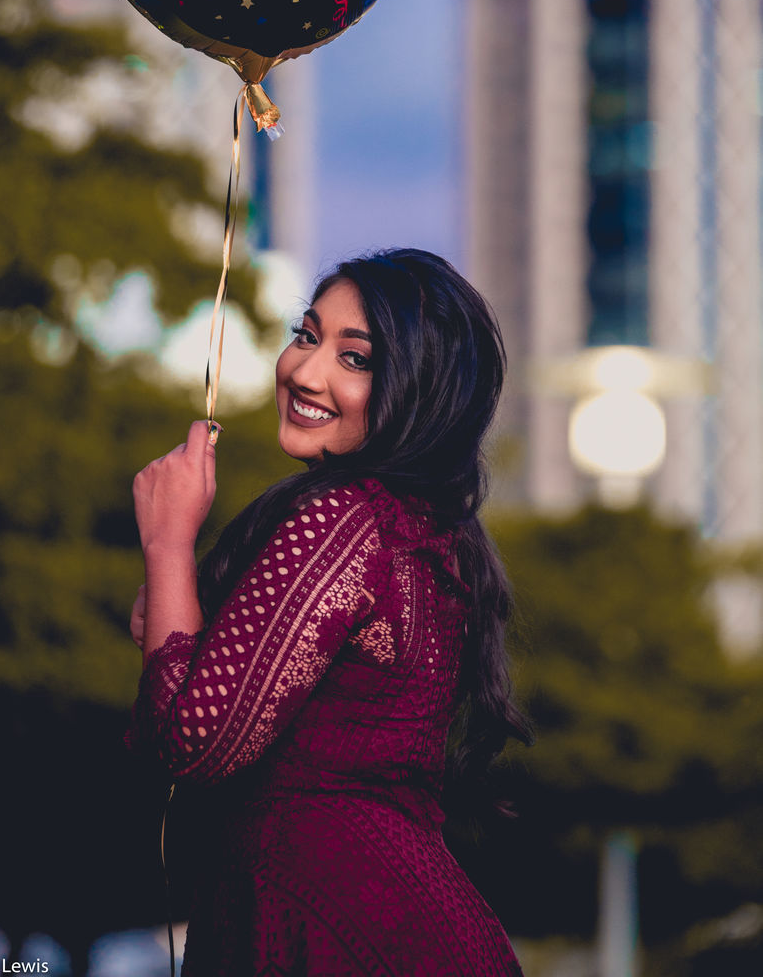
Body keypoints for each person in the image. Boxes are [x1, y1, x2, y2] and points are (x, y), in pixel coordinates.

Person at [128, 248, 531, 976]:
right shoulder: (428, 532)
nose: (305, 372)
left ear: (421, 390)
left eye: (356, 358)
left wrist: (167, 543)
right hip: (397, 923)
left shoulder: (345, 522)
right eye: (307, 335)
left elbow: (192, 741)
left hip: (333, 927)